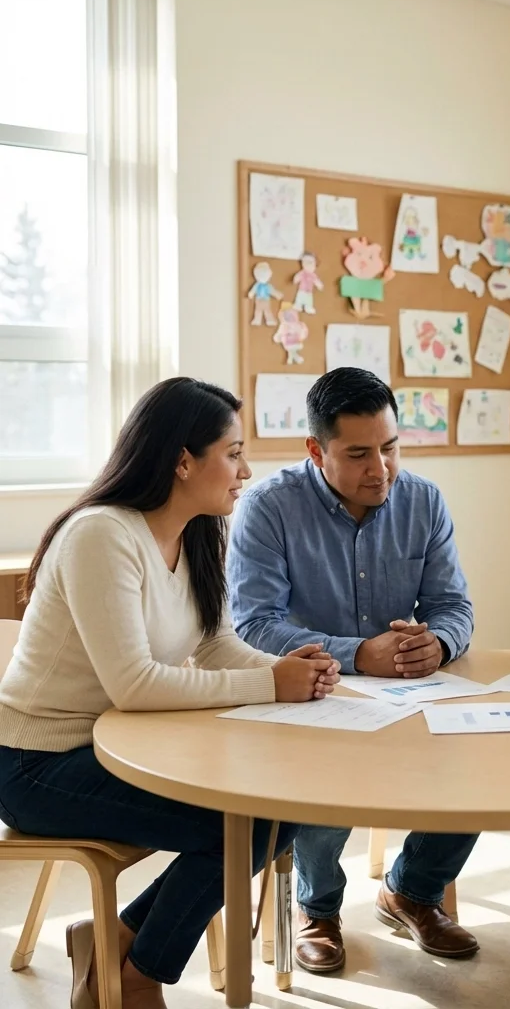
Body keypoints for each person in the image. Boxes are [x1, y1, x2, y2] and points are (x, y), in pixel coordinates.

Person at [0, 379, 340, 1009]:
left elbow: (216, 645)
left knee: (278, 809)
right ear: (183, 461)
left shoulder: (197, 532)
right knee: (239, 824)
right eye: (233, 454)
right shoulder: (100, 535)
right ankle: (137, 975)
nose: (246, 471)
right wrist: (270, 683)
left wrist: (290, 670)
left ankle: (117, 943)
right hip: (37, 765)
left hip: (118, 748)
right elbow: (133, 684)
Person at [227, 367, 479, 973]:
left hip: (407, 693)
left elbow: (454, 606)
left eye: (390, 447)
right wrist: (359, 654)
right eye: (359, 454)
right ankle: (317, 908)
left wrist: (438, 643)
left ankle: (413, 890)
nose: (381, 469)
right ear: (317, 451)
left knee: (479, 760)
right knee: (325, 771)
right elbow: (253, 625)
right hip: (310, 694)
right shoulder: (268, 507)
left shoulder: (423, 501)